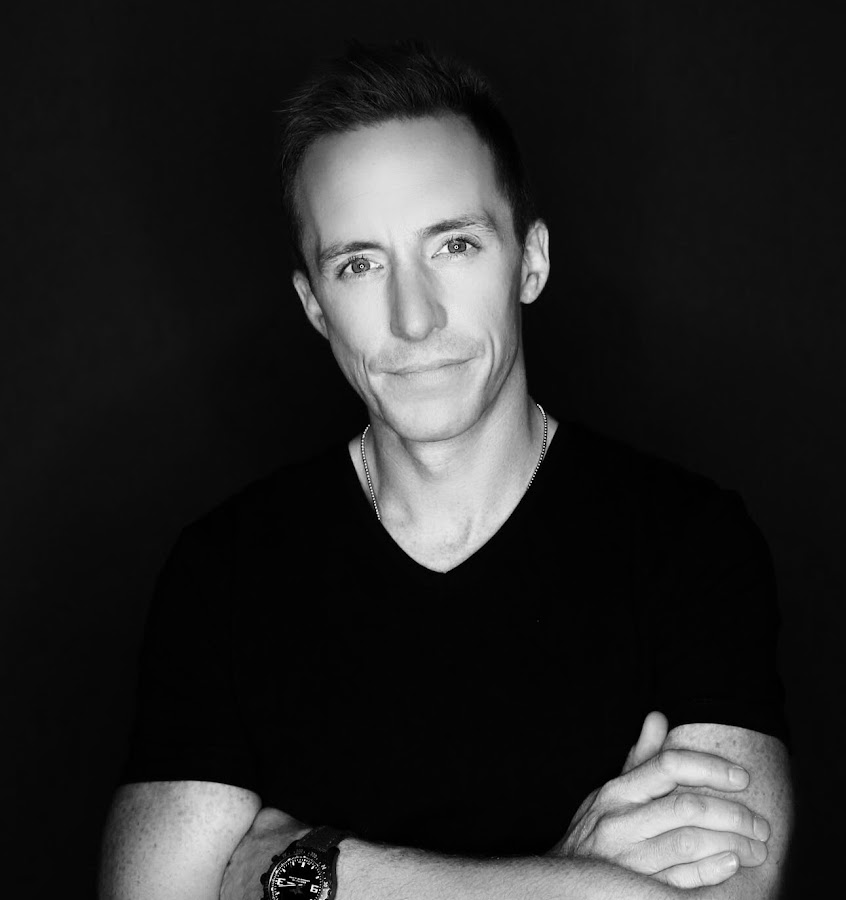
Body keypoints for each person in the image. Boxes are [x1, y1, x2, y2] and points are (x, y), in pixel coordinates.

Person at [99, 38, 794, 900]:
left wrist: (295, 871)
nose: (414, 318)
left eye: (455, 246)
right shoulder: (226, 570)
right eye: (360, 264)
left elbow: (730, 893)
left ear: (530, 261)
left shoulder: (689, 542)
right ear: (315, 306)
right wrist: (571, 882)